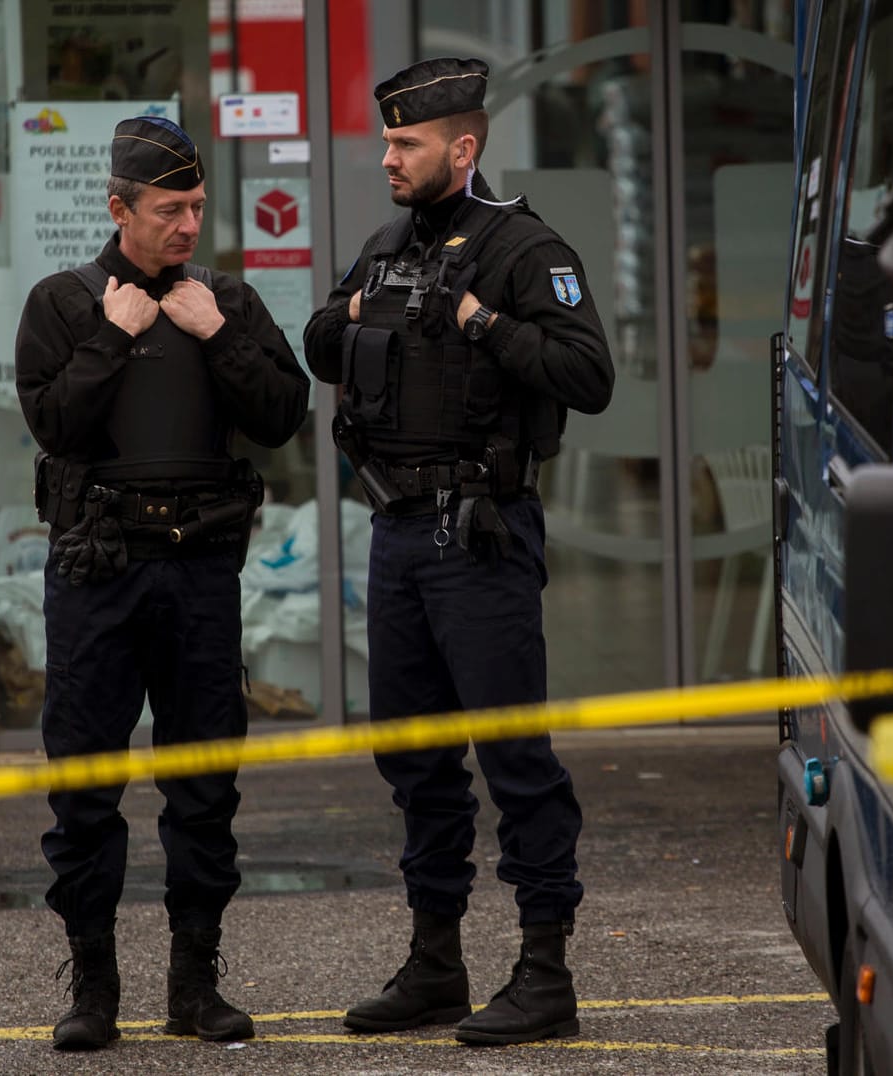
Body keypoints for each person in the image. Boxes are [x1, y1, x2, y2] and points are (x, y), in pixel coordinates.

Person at [300, 57, 615, 1047]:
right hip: (397, 531)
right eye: (387, 141)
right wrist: (358, 310)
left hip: (481, 533)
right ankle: (437, 961)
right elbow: (317, 339)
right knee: (415, 758)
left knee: (515, 757)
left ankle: (545, 970)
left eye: (407, 144)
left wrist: (480, 320)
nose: (388, 158)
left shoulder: (524, 248)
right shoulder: (388, 247)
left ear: (463, 148)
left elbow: (586, 372)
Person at [14, 115, 309, 1052]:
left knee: (203, 784)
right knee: (86, 783)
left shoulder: (223, 300)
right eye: (167, 210)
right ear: (118, 209)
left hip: (198, 574)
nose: (187, 225)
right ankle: (93, 986)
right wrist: (111, 335)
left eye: (195, 208)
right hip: (99, 573)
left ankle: (194, 982)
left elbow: (282, 415)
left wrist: (217, 334)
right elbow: (55, 425)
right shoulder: (63, 304)